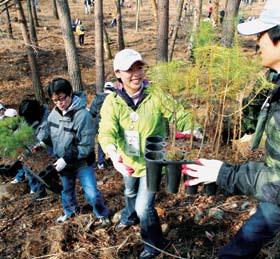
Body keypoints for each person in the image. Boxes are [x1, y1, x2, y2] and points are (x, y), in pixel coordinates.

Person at [182, 0, 280, 258]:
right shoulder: (279, 81)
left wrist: (225, 174)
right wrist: (209, 130)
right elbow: (246, 118)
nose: (257, 41)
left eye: (262, 34)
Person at [98, 49, 196, 259]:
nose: (136, 74)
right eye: (129, 69)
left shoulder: (155, 95)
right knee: (130, 192)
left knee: (144, 207)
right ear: (118, 73)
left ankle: (154, 245)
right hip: (127, 161)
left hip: (152, 163)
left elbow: (180, 114)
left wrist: (192, 130)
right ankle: (128, 216)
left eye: (139, 68)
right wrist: (114, 155)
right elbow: (106, 131)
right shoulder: (112, 102)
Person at [42, 78, 110, 226]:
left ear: (70, 94)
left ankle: (102, 214)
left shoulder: (83, 116)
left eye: (62, 98)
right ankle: (70, 211)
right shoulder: (54, 114)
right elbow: (51, 135)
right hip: (63, 163)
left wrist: (66, 159)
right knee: (66, 191)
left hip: (82, 162)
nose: (59, 103)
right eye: (55, 100)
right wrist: (42, 141)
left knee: (92, 193)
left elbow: (85, 146)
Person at [11, 100, 48, 198]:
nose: (24, 119)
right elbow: (19, 132)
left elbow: (41, 140)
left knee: (38, 169)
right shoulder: (26, 118)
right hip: (28, 149)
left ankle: (42, 190)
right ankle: (35, 189)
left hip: (43, 149)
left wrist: (27, 152)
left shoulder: (45, 120)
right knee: (27, 169)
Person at [89, 82, 115, 169]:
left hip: (99, 124)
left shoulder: (97, 98)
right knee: (114, 140)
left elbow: (92, 113)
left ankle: (101, 163)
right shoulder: (115, 97)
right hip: (112, 123)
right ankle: (113, 161)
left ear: (104, 88)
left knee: (101, 141)